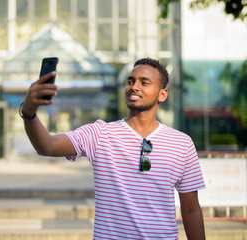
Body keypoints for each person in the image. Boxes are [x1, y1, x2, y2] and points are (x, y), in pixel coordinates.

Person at [20, 57, 206, 239]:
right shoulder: (99, 134)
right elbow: (47, 146)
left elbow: (191, 210)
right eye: (130, 81)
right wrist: (29, 113)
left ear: (162, 94)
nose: (134, 87)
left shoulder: (182, 143)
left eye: (144, 82)